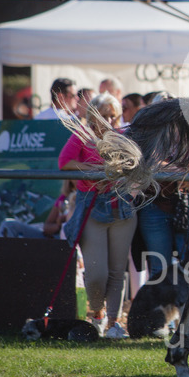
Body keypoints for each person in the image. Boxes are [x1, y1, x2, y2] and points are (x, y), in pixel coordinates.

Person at [58, 93, 136, 339]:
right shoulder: (82, 135)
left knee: (116, 270)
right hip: (91, 206)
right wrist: (96, 170)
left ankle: (114, 322)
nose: (111, 120)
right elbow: (64, 162)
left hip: (121, 207)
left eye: (114, 115)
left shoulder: (123, 137)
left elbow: (135, 167)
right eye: (106, 115)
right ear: (94, 116)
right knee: (96, 272)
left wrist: (120, 178)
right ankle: (97, 314)